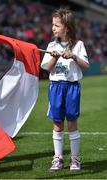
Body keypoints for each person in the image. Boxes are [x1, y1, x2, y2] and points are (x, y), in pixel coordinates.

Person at [41, 8, 89, 172]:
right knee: (57, 124)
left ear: (66, 27)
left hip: (72, 87)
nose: (53, 28)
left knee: (72, 123)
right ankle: (58, 158)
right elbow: (47, 67)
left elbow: (86, 66)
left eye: (56, 25)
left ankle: (74, 159)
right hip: (56, 87)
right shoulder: (51, 45)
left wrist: (74, 56)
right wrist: (54, 57)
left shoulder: (78, 45)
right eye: (52, 25)